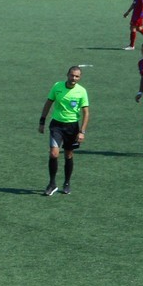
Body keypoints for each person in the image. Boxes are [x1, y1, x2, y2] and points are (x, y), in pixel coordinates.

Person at [38, 66, 89, 196]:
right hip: (56, 126)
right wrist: (42, 121)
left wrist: (82, 131)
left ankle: (67, 182)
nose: (73, 78)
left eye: (77, 76)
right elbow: (48, 103)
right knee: (53, 154)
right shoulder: (57, 86)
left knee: (68, 155)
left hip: (72, 127)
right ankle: (52, 184)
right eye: (72, 75)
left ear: (79, 78)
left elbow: (86, 113)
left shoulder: (81, 91)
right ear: (67, 75)